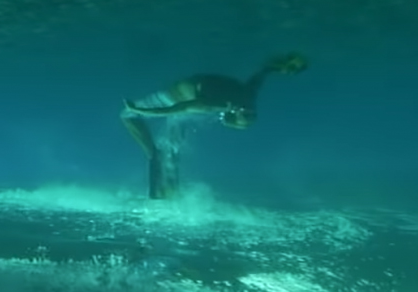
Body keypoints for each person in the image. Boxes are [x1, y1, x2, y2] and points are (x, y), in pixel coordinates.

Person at [120, 52, 308, 199]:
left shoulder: (238, 99)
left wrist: (278, 67)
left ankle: (161, 171)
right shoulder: (230, 100)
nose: (248, 110)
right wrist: (137, 109)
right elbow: (172, 109)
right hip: (178, 99)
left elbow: (173, 109)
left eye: (246, 114)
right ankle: (156, 161)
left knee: (166, 133)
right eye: (251, 113)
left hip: (183, 97)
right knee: (144, 125)